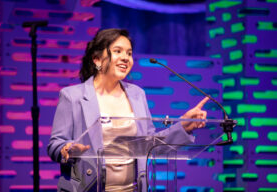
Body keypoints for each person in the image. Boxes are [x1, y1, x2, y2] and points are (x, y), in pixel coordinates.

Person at [47, 28, 209, 192]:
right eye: (117, 51)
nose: (126, 58)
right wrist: (67, 149)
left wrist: (184, 126)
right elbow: (55, 144)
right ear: (97, 60)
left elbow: (151, 145)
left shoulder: (137, 94)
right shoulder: (72, 96)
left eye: (129, 53)